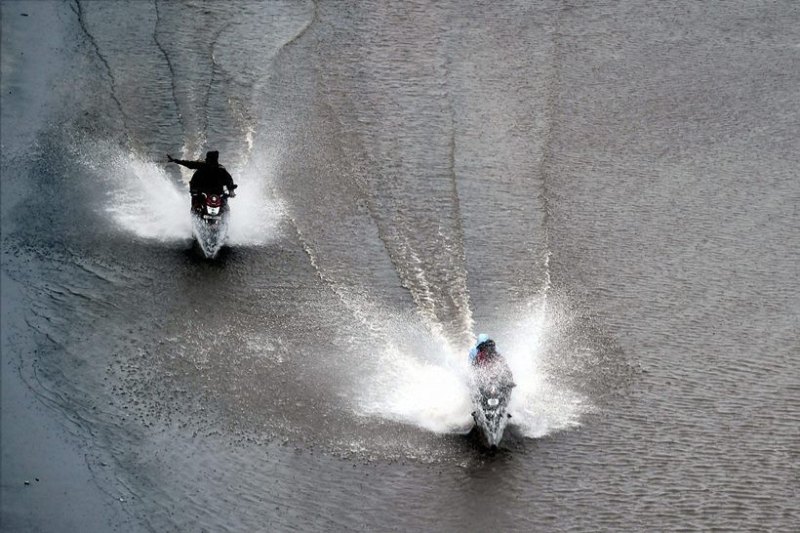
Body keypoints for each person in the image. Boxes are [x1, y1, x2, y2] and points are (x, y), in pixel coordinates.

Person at [167, 151, 237, 209]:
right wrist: (175, 160)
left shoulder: (221, 169)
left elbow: (229, 180)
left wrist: (231, 191)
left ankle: (226, 223)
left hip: (217, 195)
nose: (210, 161)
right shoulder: (202, 166)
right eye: (209, 159)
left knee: (225, 207)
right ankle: (195, 220)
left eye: (212, 159)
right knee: (196, 205)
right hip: (202, 193)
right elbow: (189, 164)